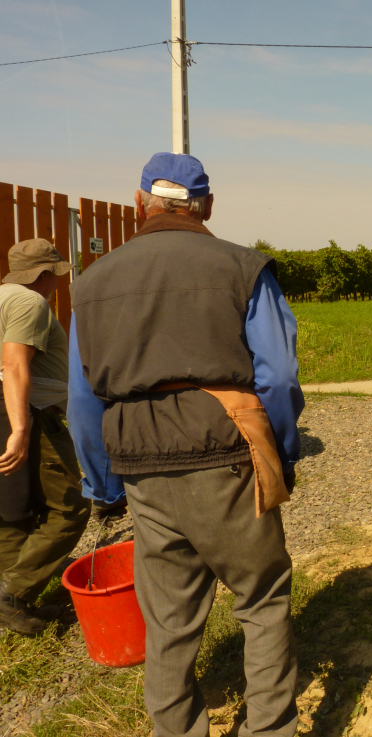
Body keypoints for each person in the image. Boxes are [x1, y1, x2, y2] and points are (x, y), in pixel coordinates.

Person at [67, 152, 305, 737]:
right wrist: (282, 452)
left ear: (138, 203)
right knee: (263, 595)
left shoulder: (91, 283)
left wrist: (104, 485)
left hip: (140, 463)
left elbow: (81, 401)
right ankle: (270, 729)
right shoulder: (243, 267)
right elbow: (277, 377)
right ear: (207, 206)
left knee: (168, 618)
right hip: (225, 452)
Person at [0, 239, 91, 635]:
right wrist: (21, 429)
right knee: (70, 505)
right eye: (57, 273)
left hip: (8, 411)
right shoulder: (29, 302)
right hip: (28, 414)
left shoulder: (2, 297)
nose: (60, 281)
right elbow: (15, 364)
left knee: (13, 509)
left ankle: (17, 603)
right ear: (44, 274)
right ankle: (12, 594)